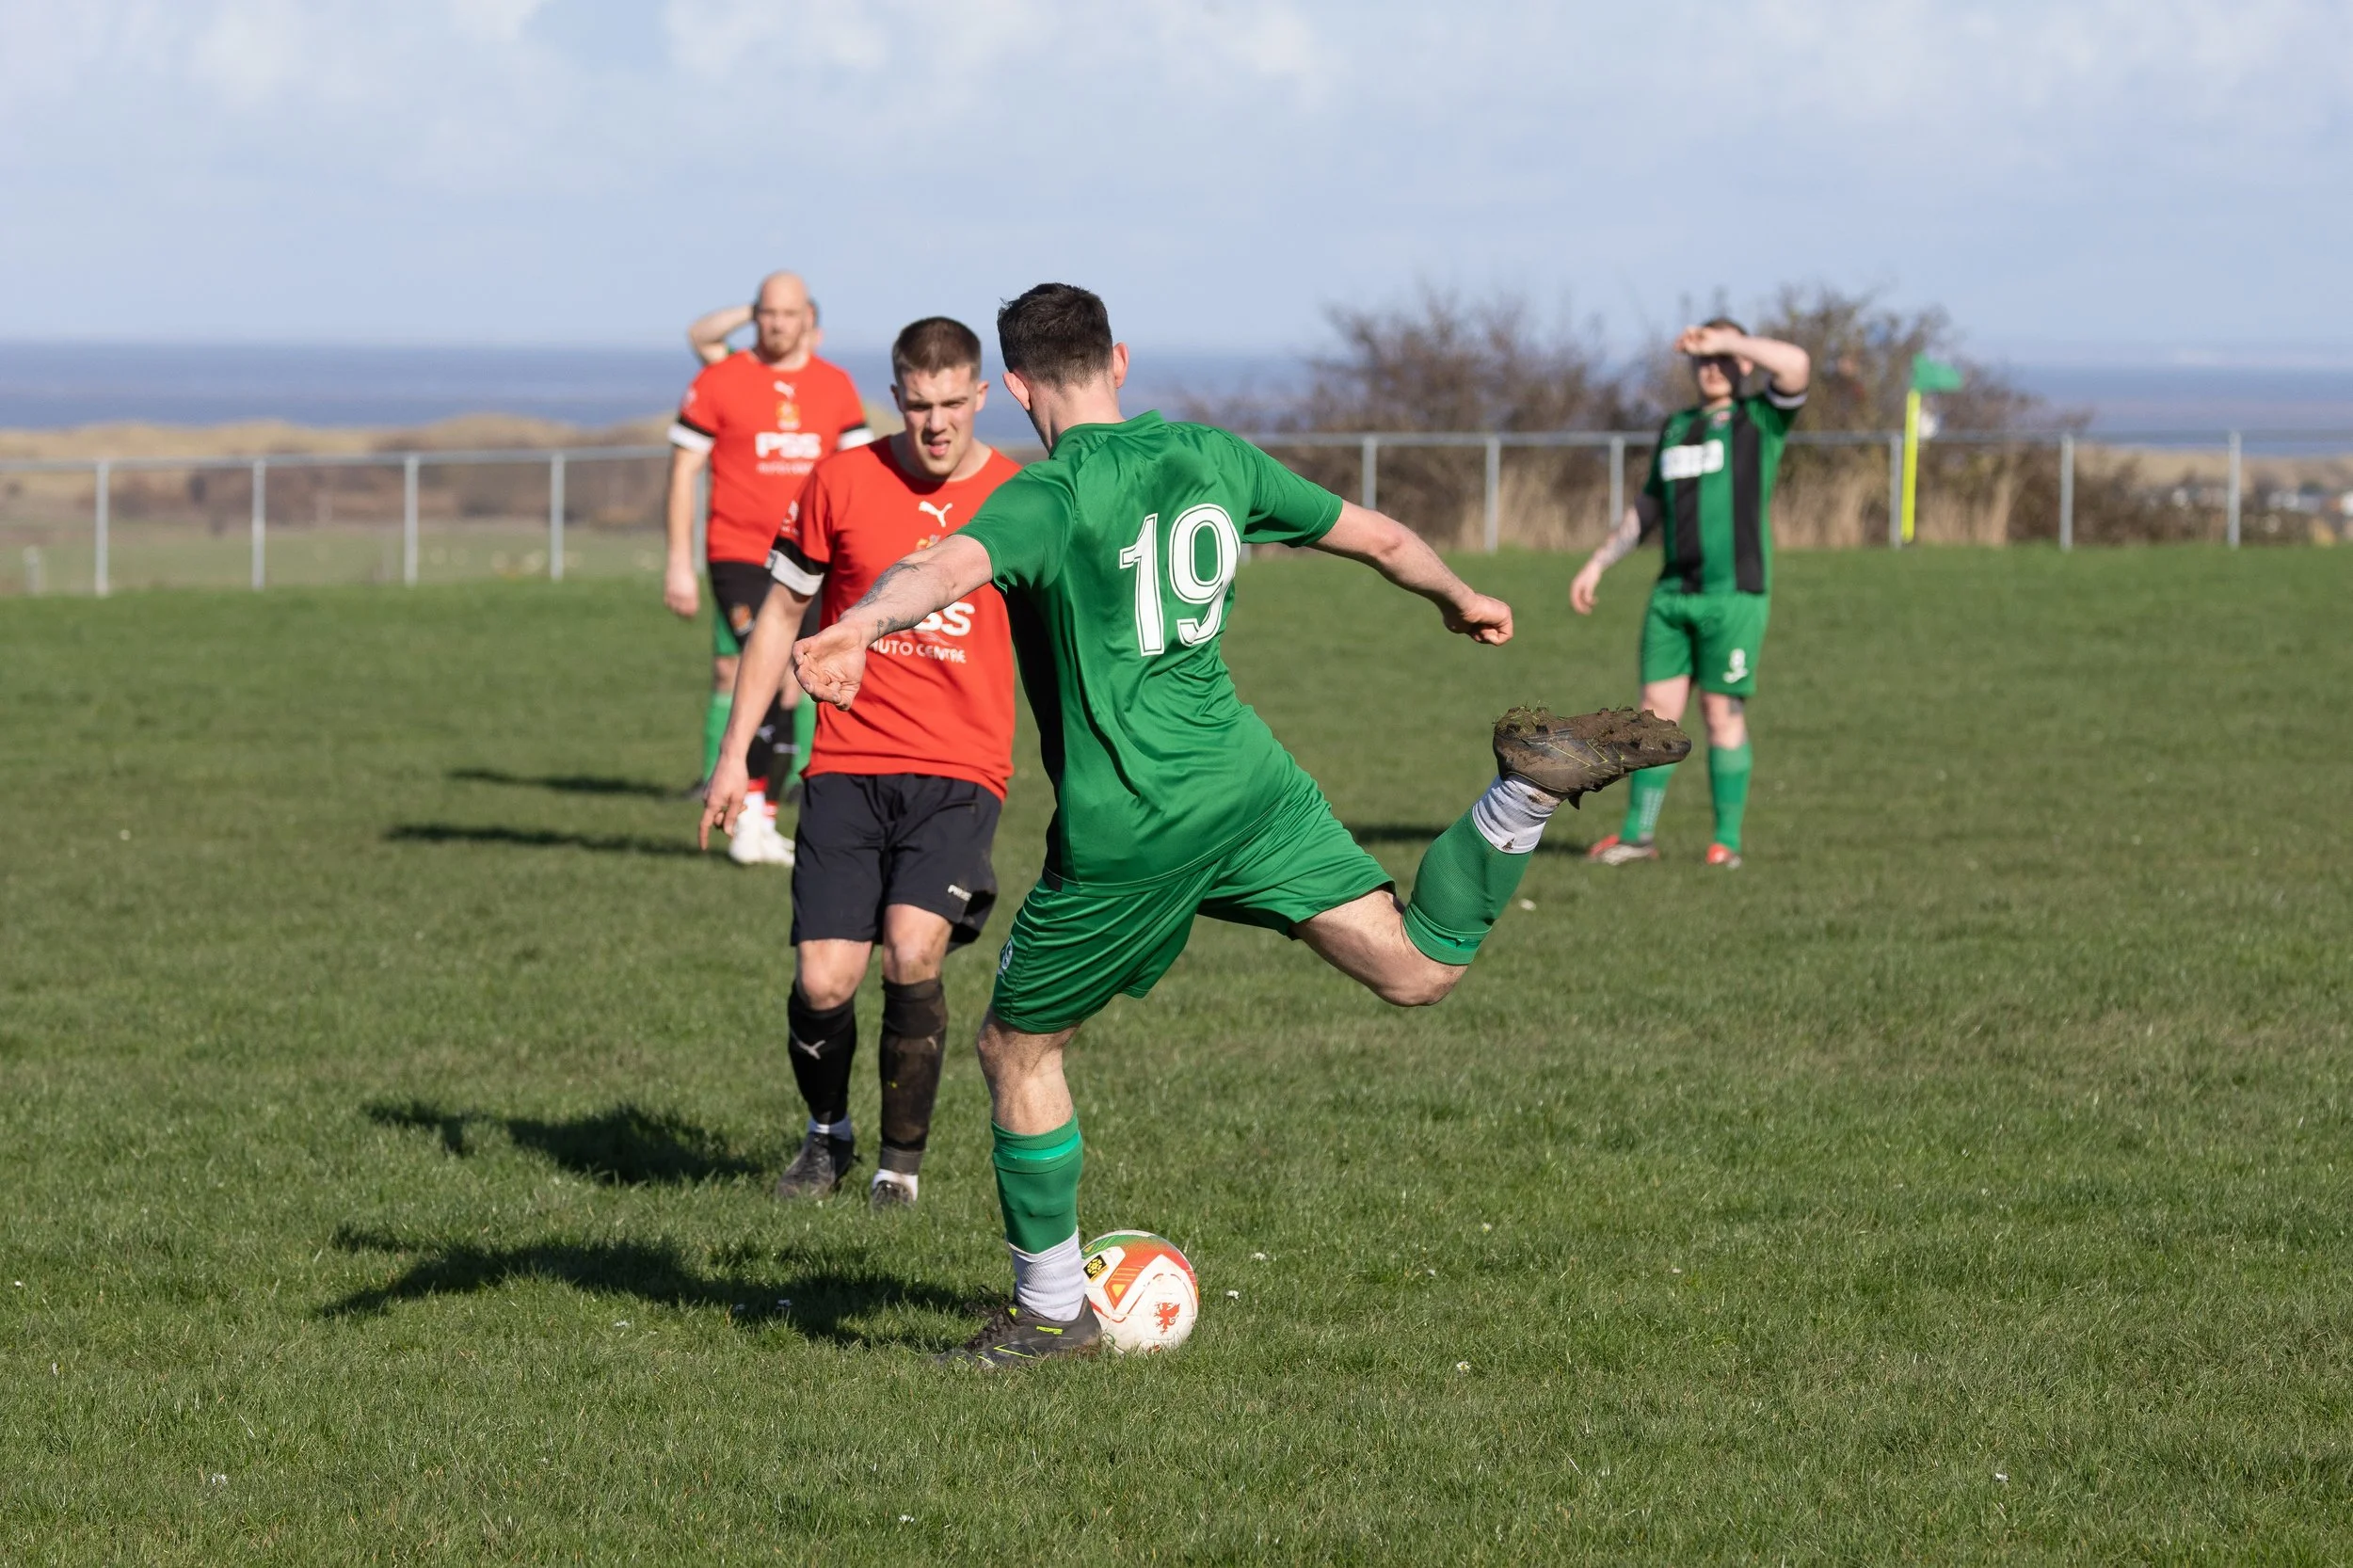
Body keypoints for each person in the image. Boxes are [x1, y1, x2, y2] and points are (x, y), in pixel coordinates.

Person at [792, 284, 1688, 1365]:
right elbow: (1382, 534)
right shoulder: (1217, 457)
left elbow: (944, 567)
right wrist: (1457, 598)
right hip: (1248, 785)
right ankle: (1525, 794)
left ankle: (1048, 1312)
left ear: (1017, 386)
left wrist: (856, 624)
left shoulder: (1051, 493)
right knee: (1416, 967)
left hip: (1131, 823)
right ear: (1119, 359)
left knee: (1015, 1048)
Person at [700, 317, 1022, 1208]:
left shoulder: (1020, 499)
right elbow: (776, 619)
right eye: (918, 405)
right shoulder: (841, 481)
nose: (936, 423)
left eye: (953, 403)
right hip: (845, 763)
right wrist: (736, 764)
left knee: (913, 951)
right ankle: (827, 1136)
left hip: (960, 770)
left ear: (982, 396)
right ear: (895, 399)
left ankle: (900, 1167)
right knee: (823, 977)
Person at [1570, 318, 1811, 870]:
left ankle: (1726, 843)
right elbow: (1647, 508)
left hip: (1734, 596)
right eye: (1701, 359)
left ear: (1743, 360)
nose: (1712, 367)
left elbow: (1797, 365)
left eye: (1722, 356)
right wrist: (1597, 563)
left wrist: (1725, 340)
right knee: (1654, 716)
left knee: (1720, 713)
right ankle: (1638, 836)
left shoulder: (1759, 420)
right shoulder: (1676, 427)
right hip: (1673, 595)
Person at [664, 271, 872, 865]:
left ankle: (763, 815)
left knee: (791, 682)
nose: (778, 324)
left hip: (810, 557)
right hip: (739, 556)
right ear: (758, 315)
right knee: (755, 669)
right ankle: (741, 811)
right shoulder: (720, 378)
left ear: (809, 318)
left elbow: (858, 475)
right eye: (768, 313)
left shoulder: (835, 386)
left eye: (789, 313)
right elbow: (683, 471)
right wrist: (679, 564)